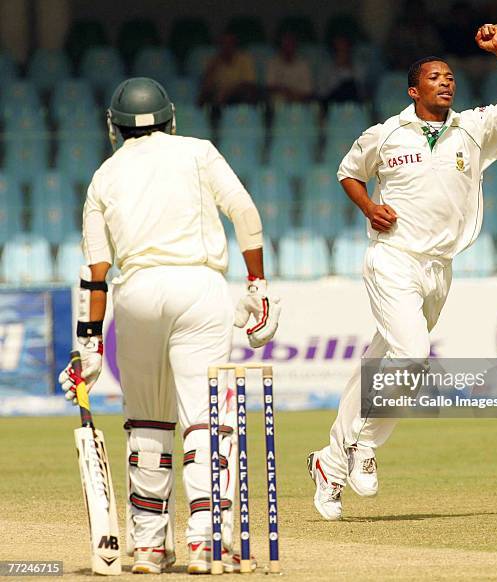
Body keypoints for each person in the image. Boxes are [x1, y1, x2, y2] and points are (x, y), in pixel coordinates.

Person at [308, 24, 497, 520]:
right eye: (435, 78)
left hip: (439, 269)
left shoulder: (475, 127)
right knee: (412, 357)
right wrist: (369, 207)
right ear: (414, 90)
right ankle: (362, 445)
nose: (446, 83)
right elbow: (348, 173)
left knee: (379, 369)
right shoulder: (385, 134)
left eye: (451, 77)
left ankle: (329, 461)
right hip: (392, 258)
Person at [58, 77, 281, 573]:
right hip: (198, 287)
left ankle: (150, 546)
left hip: (135, 294)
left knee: (148, 420)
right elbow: (244, 212)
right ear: (170, 117)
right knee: (204, 419)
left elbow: (94, 272)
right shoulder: (198, 151)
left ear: (114, 127)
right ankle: (205, 540)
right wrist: (258, 285)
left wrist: (88, 346)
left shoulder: (104, 175)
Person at [198, 31, 258, 106]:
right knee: (205, 94)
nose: (226, 47)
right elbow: (206, 84)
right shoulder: (214, 61)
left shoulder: (245, 59)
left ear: (235, 45)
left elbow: (249, 84)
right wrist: (212, 68)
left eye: (229, 43)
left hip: (238, 93)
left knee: (248, 93)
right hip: (218, 94)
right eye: (223, 44)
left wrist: (229, 91)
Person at [266, 29, 314, 104]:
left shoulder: (303, 64)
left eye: (291, 42)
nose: (288, 45)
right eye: (285, 42)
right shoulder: (273, 63)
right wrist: (286, 92)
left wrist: (293, 95)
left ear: (295, 45)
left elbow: (308, 91)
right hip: (279, 101)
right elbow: (270, 87)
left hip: (299, 100)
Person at [318, 33, 366, 104]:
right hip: (333, 105)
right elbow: (321, 93)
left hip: (354, 105)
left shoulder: (359, 67)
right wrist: (337, 69)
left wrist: (350, 69)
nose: (342, 52)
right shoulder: (325, 68)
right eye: (338, 50)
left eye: (344, 48)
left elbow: (362, 92)